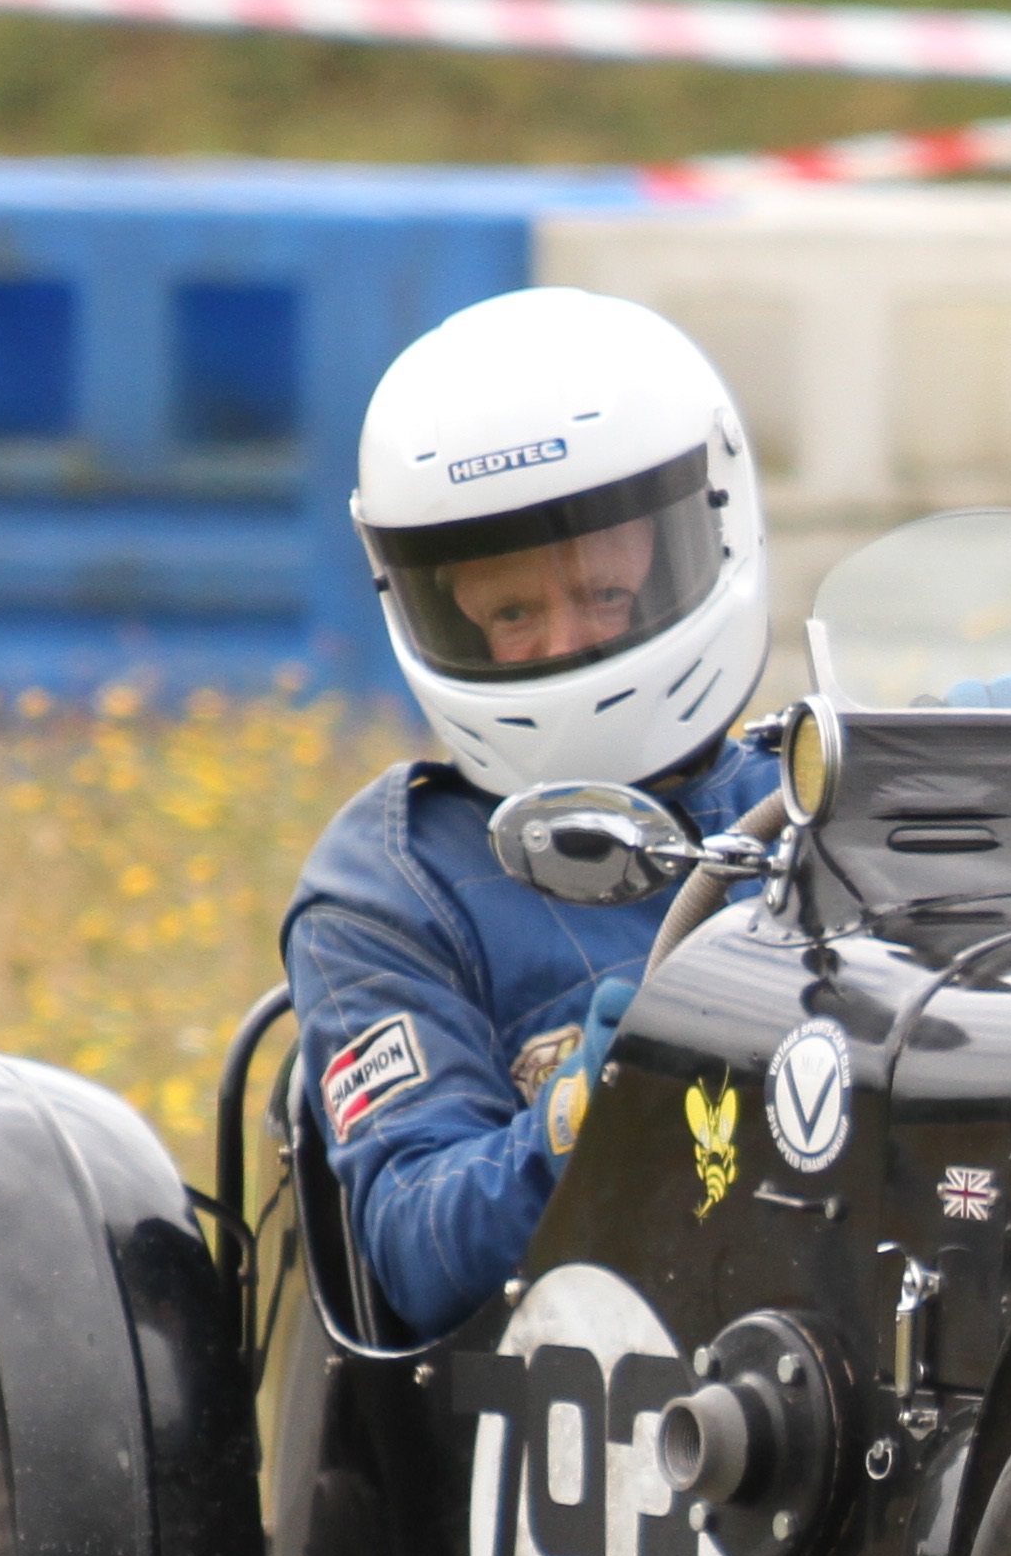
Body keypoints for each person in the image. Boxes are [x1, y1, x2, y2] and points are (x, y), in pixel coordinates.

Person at [285, 287, 785, 1342]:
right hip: (606, 1380)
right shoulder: (387, 890)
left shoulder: (807, 802)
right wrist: (582, 1113)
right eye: (512, 612)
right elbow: (415, 1242)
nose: (565, 644)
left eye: (604, 589)